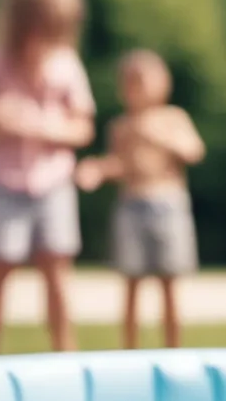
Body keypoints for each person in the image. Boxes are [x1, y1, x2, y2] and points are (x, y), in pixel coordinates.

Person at [0, 0, 95, 355]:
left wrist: (42, 127)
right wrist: (2, 122)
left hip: (53, 184)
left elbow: (83, 128)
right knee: (0, 267)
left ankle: (65, 351)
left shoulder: (66, 65)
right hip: (5, 184)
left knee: (56, 271)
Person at [76, 49, 204, 349]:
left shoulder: (173, 118)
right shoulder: (121, 126)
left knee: (169, 282)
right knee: (131, 281)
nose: (136, 89)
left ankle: (174, 348)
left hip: (169, 204)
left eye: (143, 81)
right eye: (129, 82)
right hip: (131, 206)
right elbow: (121, 165)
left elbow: (194, 151)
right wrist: (97, 170)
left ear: (163, 84)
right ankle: (129, 350)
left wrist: (157, 135)